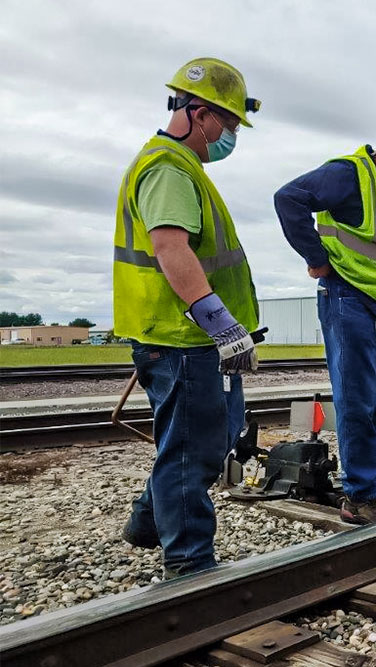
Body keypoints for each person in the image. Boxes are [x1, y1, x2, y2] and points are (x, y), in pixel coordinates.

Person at [115, 58, 262, 577]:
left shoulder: (183, 167)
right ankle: (188, 563)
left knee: (209, 438)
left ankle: (148, 520)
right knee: (192, 453)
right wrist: (220, 323)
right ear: (199, 113)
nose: (231, 135)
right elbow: (170, 248)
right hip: (182, 337)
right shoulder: (168, 168)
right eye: (230, 123)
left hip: (188, 337)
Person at [274, 116, 376, 524]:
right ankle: (360, 493)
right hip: (346, 296)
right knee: (356, 398)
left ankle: (368, 487)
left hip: (375, 304)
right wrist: (316, 258)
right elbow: (288, 198)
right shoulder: (348, 174)